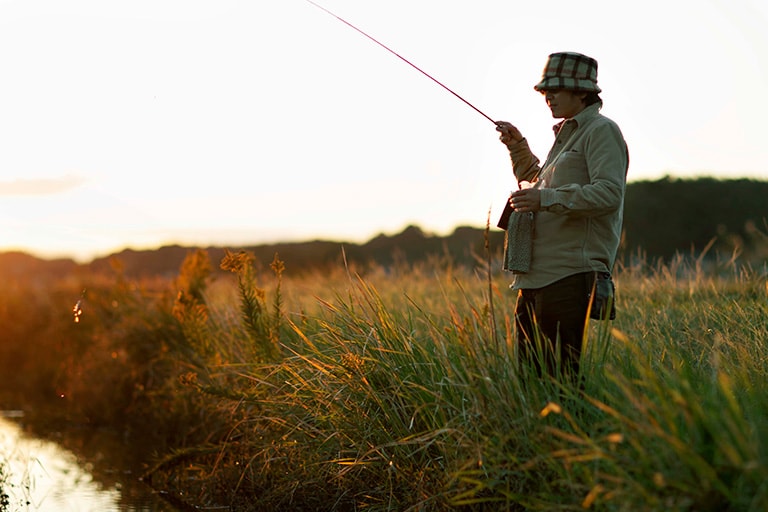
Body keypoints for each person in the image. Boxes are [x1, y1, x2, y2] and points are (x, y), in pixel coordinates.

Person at [495, 52, 629, 381]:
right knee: (532, 380)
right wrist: (517, 147)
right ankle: (542, 434)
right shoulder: (568, 133)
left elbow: (609, 193)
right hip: (534, 278)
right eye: (545, 92)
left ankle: (574, 433)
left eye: (556, 90)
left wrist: (545, 199)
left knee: (561, 380)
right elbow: (540, 182)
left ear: (582, 92)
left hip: (569, 275)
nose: (548, 97)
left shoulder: (601, 130)